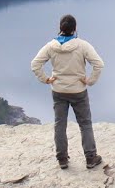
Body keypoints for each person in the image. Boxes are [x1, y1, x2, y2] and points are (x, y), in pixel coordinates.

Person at [30, 14, 106, 169]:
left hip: (58, 90)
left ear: (60, 28)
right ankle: (91, 157)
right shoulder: (82, 45)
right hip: (78, 90)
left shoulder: (51, 46)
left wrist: (46, 79)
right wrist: (90, 81)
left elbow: (35, 64)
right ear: (75, 28)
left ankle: (62, 159)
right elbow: (99, 64)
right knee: (85, 123)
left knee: (60, 124)